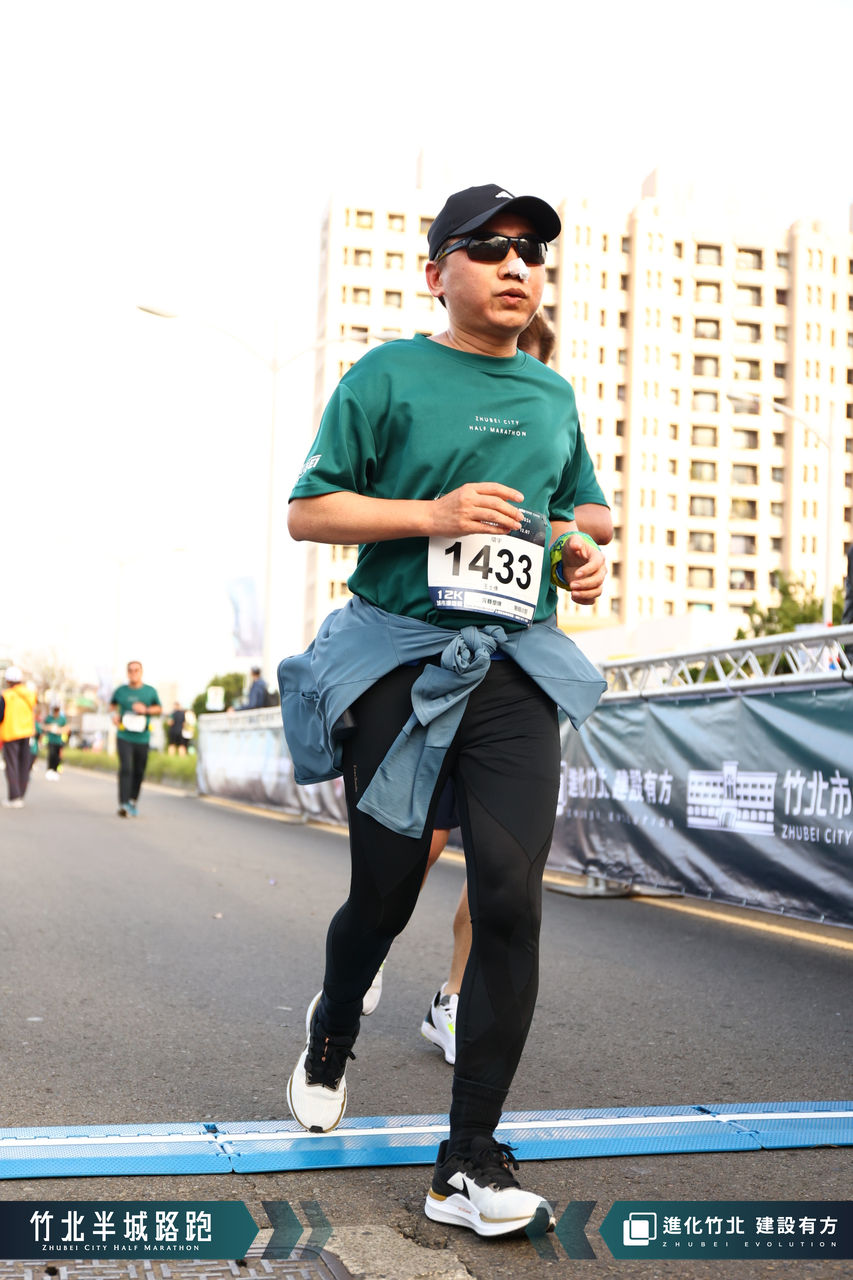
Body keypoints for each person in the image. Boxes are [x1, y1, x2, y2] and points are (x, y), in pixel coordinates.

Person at [281, 184, 608, 1239]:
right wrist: (434, 513)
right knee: (382, 895)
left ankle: (466, 1161)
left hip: (513, 667)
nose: (517, 265)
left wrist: (579, 549)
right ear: (437, 272)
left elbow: (577, 508)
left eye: (532, 251)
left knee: (510, 897)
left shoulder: (551, 394)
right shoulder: (385, 375)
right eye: (490, 246)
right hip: (401, 660)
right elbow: (308, 511)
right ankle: (335, 1025)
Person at [417, 309, 615, 1064]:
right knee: (413, 849)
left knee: (500, 866)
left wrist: (554, 527)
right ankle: (361, 961)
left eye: (525, 362)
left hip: (517, 665)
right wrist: (445, 505)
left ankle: (453, 1000)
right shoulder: (434, 398)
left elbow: (591, 515)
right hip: (429, 660)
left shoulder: (551, 410)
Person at [110, 661, 162, 817]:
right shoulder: (121, 691)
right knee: (126, 768)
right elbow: (112, 706)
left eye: (136, 670)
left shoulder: (150, 691)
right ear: (127, 673)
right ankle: (123, 803)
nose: (133, 673)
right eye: (130, 670)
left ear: (141, 672)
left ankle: (132, 800)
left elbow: (159, 709)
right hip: (124, 735)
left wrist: (145, 709)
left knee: (139, 770)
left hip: (142, 737)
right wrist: (114, 716)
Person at [1, 666, 37, 808]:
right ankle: (21, 795)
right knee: (23, 764)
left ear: (8, 681)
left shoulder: (6, 696)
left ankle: (14, 797)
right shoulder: (30, 695)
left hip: (11, 733)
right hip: (26, 733)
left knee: (12, 765)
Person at [43, 703, 67, 779]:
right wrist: (50, 728)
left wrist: (59, 730)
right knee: (51, 755)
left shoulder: (62, 719)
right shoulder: (49, 718)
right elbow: (43, 726)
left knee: (57, 757)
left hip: (59, 741)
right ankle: (50, 769)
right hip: (51, 740)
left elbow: (66, 728)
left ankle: (55, 770)